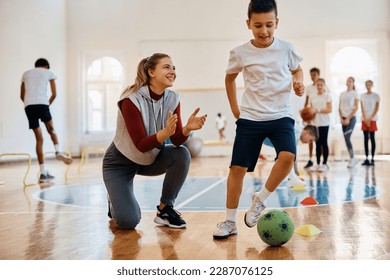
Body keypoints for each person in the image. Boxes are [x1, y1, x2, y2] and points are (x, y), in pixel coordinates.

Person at [213, 0, 305, 239]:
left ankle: (260, 200)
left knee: (288, 156)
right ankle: (230, 221)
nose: (264, 31)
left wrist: (298, 81)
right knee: (237, 169)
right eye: (258, 25)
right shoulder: (240, 53)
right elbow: (229, 79)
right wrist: (235, 109)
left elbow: (297, 69)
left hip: (280, 115)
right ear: (248, 24)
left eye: (269, 25)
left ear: (277, 23)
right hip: (251, 117)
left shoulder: (286, 48)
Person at [102, 53, 207, 230]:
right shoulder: (130, 99)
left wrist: (187, 129)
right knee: (129, 222)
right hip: (119, 164)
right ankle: (113, 200)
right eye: (166, 67)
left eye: (174, 67)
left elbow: (176, 140)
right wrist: (164, 132)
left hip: (148, 160)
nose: (172, 71)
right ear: (151, 72)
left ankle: (165, 209)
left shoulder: (173, 98)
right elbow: (140, 144)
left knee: (181, 154)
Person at [20, 58, 73, 183]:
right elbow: (54, 94)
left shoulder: (26, 74)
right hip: (42, 104)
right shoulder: (48, 73)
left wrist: (30, 105)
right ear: (46, 66)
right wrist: (45, 105)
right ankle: (58, 151)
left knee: (39, 139)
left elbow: (22, 96)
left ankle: (43, 173)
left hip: (29, 106)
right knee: (51, 130)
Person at [309, 78, 332, 172]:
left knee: (324, 143)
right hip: (315, 123)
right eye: (318, 85)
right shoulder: (312, 97)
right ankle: (318, 164)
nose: (319, 86)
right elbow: (311, 111)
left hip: (324, 123)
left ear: (324, 86)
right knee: (317, 144)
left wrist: (317, 110)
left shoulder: (327, 96)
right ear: (315, 86)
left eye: (321, 85)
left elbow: (330, 110)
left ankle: (325, 164)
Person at [339, 76, 359, 168]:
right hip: (343, 119)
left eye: (350, 81)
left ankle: (352, 159)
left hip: (351, 118)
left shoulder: (355, 93)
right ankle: (352, 159)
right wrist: (341, 118)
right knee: (346, 139)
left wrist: (348, 118)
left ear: (353, 83)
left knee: (347, 138)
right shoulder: (342, 94)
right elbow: (339, 107)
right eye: (347, 81)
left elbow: (356, 107)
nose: (348, 83)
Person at [303, 67, 320, 169]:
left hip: (319, 117)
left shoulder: (323, 86)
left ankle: (319, 161)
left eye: (314, 74)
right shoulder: (309, 88)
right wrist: (304, 114)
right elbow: (306, 102)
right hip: (310, 116)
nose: (312, 77)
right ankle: (310, 160)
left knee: (319, 140)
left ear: (318, 75)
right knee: (310, 139)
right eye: (311, 75)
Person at [360, 80, 380, 166]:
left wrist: (370, 118)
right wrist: (365, 118)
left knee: (372, 139)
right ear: (365, 85)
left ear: (372, 85)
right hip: (364, 119)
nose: (368, 85)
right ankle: (366, 158)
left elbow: (376, 108)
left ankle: (372, 158)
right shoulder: (362, 96)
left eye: (369, 84)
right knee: (365, 139)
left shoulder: (376, 96)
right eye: (367, 84)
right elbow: (362, 108)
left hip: (372, 119)